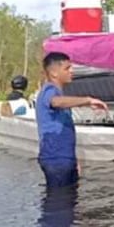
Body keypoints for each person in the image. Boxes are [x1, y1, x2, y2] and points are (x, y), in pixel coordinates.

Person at [35, 52, 108, 187]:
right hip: (55, 158)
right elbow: (55, 102)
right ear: (54, 73)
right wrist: (87, 100)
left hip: (64, 157)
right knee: (59, 203)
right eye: (67, 68)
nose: (72, 71)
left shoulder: (60, 93)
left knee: (69, 201)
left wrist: (74, 160)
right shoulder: (49, 90)